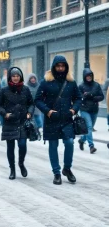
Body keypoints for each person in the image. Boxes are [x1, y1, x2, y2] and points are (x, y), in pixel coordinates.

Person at [35, 55, 81, 185]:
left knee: (69, 142)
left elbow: (78, 98)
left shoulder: (71, 82)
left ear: (66, 67)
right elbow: (37, 99)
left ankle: (67, 168)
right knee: (53, 145)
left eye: (63, 66)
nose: (60, 68)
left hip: (66, 118)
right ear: (54, 67)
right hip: (52, 119)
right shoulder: (46, 82)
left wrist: (73, 110)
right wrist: (48, 111)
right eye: (58, 66)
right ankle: (56, 172)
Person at [0, 67, 34, 180]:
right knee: (10, 147)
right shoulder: (4, 90)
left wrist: (29, 113)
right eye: (13, 76)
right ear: (10, 78)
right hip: (10, 121)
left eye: (17, 76)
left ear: (20, 77)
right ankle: (12, 169)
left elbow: (31, 103)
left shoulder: (25, 89)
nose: (16, 78)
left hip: (22, 121)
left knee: (22, 145)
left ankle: (21, 163)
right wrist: (5, 114)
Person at [78, 69, 104, 154]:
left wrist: (93, 96)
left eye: (90, 76)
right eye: (87, 76)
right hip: (84, 109)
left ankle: (82, 140)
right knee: (89, 127)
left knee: (89, 129)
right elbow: (78, 97)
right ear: (84, 77)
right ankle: (91, 146)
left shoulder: (96, 85)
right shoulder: (81, 86)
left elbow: (101, 96)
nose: (89, 77)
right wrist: (85, 96)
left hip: (94, 110)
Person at [27, 73, 43, 138]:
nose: (33, 79)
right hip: (29, 104)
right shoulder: (27, 86)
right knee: (31, 118)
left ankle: (39, 129)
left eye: (34, 78)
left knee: (38, 117)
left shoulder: (38, 85)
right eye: (31, 78)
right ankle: (34, 131)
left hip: (37, 104)